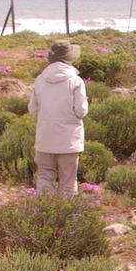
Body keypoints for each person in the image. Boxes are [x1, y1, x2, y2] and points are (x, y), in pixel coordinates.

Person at [30, 40, 88, 196]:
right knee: (68, 180)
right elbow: (81, 111)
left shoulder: (40, 79)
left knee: (44, 177)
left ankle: (44, 212)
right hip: (68, 139)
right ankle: (67, 215)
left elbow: (32, 109)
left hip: (45, 137)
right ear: (69, 58)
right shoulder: (75, 81)